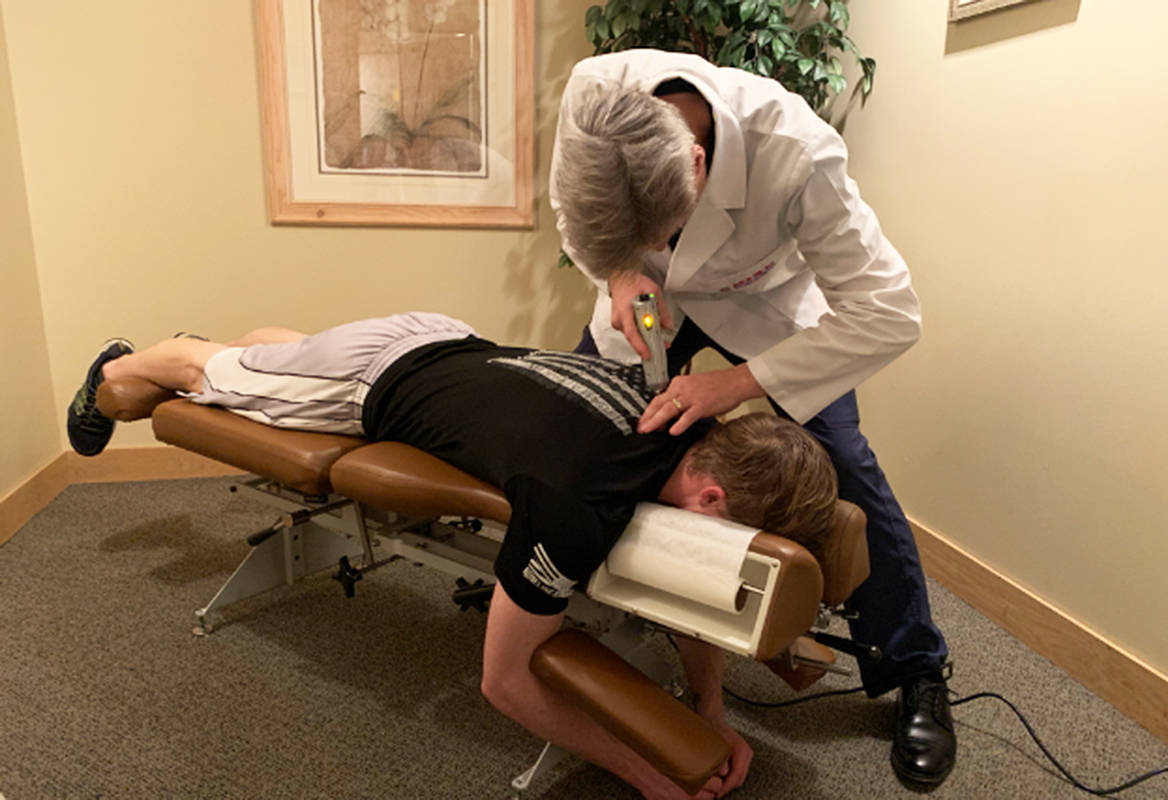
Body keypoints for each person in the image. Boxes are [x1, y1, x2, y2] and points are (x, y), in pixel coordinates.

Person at [66, 311, 839, 800]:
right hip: (370, 383)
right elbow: (504, 682)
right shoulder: (575, 508)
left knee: (280, 356)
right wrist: (647, 775)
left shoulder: (693, 416)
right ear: (711, 500)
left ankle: (241, 354)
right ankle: (123, 364)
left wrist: (710, 710)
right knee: (194, 373)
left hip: (443, 336)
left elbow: (700, 585)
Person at [550, 49, 956, 786]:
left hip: (765, 303)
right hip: (650, 302)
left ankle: (915, 666)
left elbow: (891, 314)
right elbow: (574, 213)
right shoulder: (593, 95)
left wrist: (736, 385)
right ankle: (566, 598)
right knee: (591, 427)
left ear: (697, 164)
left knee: (841, 463)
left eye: (666, 228)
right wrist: (621, 271)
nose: (665, 245)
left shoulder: (796, 151)